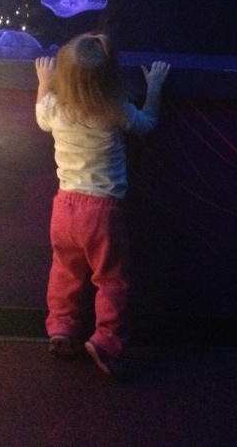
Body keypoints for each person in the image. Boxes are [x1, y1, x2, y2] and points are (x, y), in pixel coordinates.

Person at [35, 32, 170, 378]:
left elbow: (40, 116)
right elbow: (147, 124)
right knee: (111, 279)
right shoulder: (114, 109)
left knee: (64, 270)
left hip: (64, 208)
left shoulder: (56, 108)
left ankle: (61, 328)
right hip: (102, 213)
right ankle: (106, 340)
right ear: (110, 76)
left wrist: (43, 83)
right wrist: (154, 86)